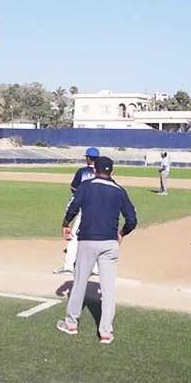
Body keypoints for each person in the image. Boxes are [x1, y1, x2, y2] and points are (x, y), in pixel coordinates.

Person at [56, 156, 138, 344]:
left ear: (94, 170)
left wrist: (66, 224)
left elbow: (73, 207)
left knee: (79, 283)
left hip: (88, 240)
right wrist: (122, 233)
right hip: (110, 243)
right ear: (112, 172)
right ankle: (106, 332)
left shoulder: (86, 186)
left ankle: (71, 323)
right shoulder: (120, 191)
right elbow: (132, 220)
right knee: (108, 288)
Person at [53, 147, 100, 275]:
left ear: (88, 158)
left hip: (83, 207)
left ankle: (68, 265)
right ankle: (95, 268)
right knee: (96, 237)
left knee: (74, 237)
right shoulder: (102, 172)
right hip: (99, 209)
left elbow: (73, 189)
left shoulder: (82, 171)